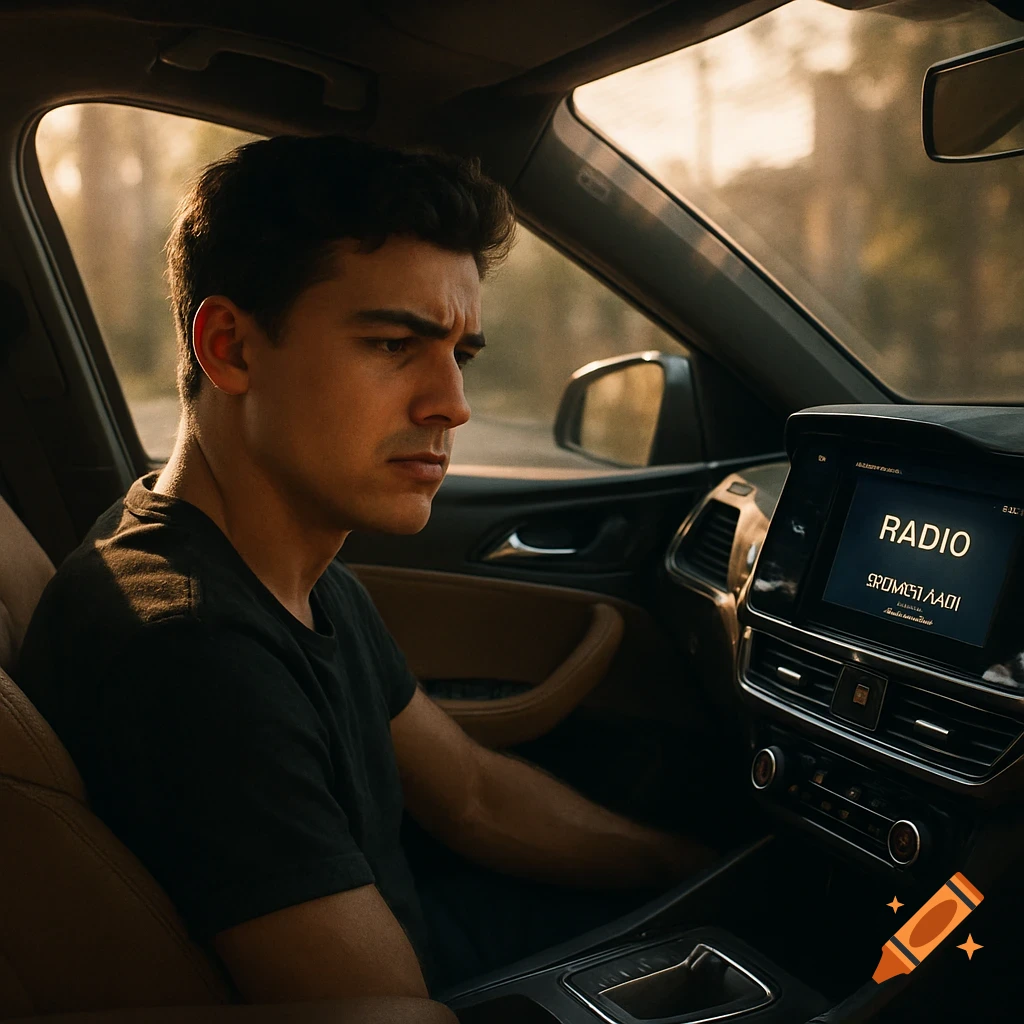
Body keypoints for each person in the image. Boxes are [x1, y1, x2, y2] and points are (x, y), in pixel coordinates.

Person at [17, 135, 713, 1005]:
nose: (451, 405)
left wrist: (689, 868)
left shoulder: (289, 567)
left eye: (459, 355)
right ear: (229, 346)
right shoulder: (193, 656)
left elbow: (470, 796)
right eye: (392, 344)